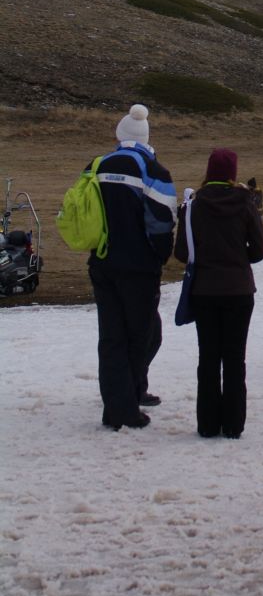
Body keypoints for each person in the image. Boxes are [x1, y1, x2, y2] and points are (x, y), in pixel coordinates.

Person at [84, 104, 177, 431]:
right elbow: (162, 223)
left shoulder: (95, 166)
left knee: (111, 337)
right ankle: (125, 407)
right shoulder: (153, 170)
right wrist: (159, 257)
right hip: (139, 268)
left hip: (102, 262)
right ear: (145, 137)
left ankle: (121, 400)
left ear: (119, 135)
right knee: (142, 334)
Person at [175, 148, 263, 438]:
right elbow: (261, 249)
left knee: (209, 357)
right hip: (239, 290)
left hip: (204, 290)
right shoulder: (245, 202)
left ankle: (207, 424)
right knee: (235, 358)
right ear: (233, 172)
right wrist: (240, 259)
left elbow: (181, 252)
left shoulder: (193, 206)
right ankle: (233, 425)